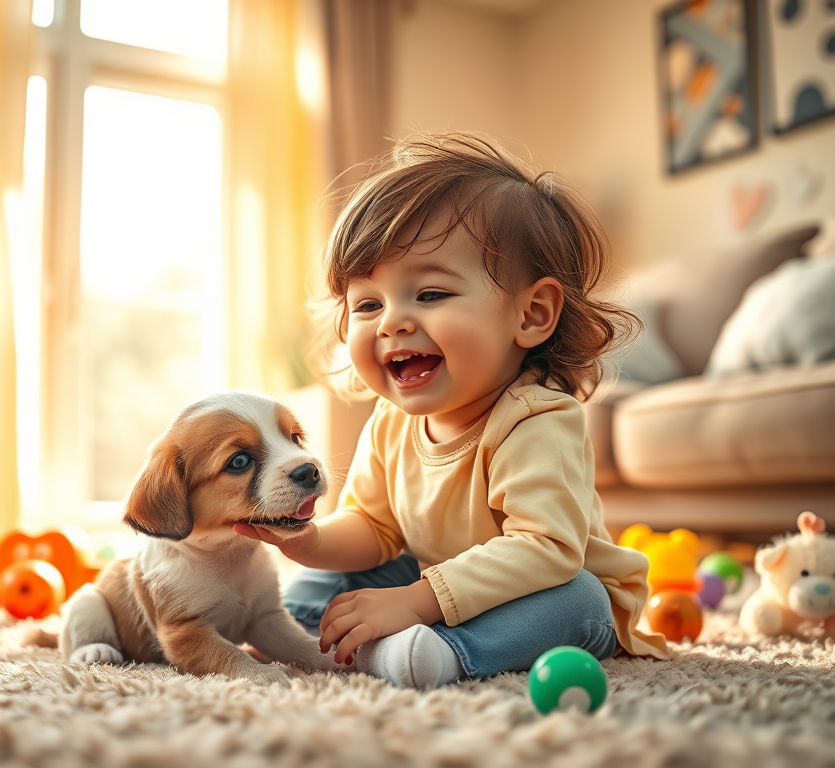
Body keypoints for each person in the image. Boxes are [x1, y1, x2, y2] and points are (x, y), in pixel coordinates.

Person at [234, 131, 672, 689]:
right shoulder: (391, 422)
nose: (391, 321)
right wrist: (310, 541)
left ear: (531, 315)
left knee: (578, 598)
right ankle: (299, 633)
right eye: (368, 303)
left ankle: (444, 653)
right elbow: (374, 528)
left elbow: (545, 550)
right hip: (435, 580)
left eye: (431, 294)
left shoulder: (537, 420)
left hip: (547, 591)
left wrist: (419, 603)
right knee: (341, 578)